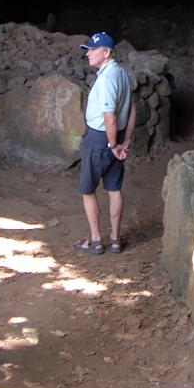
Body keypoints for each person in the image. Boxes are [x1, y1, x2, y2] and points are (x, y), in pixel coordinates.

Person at [73, 32, 136, 256]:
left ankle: (96, 241)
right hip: (115, 137)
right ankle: (116, 240)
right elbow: (131, 110)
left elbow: (109, 116)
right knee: (114, 188)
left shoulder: (107, 79)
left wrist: (112, 145)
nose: (88, 53)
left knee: (88, 190)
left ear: (106, 52)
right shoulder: (122, 73)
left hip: (101, 139)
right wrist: (125, 140)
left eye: (92, 49)